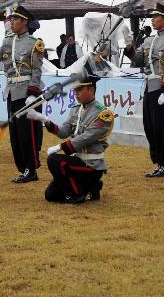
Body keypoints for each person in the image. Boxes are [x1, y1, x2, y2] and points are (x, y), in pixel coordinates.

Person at [0, 4, 45, 183]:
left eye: (15, 19)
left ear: (25, 22)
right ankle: (23, 168)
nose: (12, 21)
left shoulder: (34, 43)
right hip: (12, 92)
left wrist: (32, 93)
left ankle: (31, 169)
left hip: (27, 93)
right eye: (12, 18)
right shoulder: (8, 40)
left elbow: (37, 72)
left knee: (27, 133)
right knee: (15, 134)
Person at [27, 73, 114, 204]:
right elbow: (63, 132)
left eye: (79, 90)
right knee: (50, 195)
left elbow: (85, 138)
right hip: (77, 161)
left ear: (91, 90)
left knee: (55, 161)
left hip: (91, 166)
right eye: (74, 90)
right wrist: (45, 120)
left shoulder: (103, 114)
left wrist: (60, 147)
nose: (75, 93)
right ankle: (92, 187)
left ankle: (78, 194)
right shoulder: (75, 110)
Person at [126, 3, 164, 178]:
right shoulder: (149, 40)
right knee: (149, 128)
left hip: (162, 90)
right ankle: (159, 163)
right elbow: (138, 60)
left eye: (155, 17)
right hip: (149, 89)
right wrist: (129, 46)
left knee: (161, 128)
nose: (152, 20)